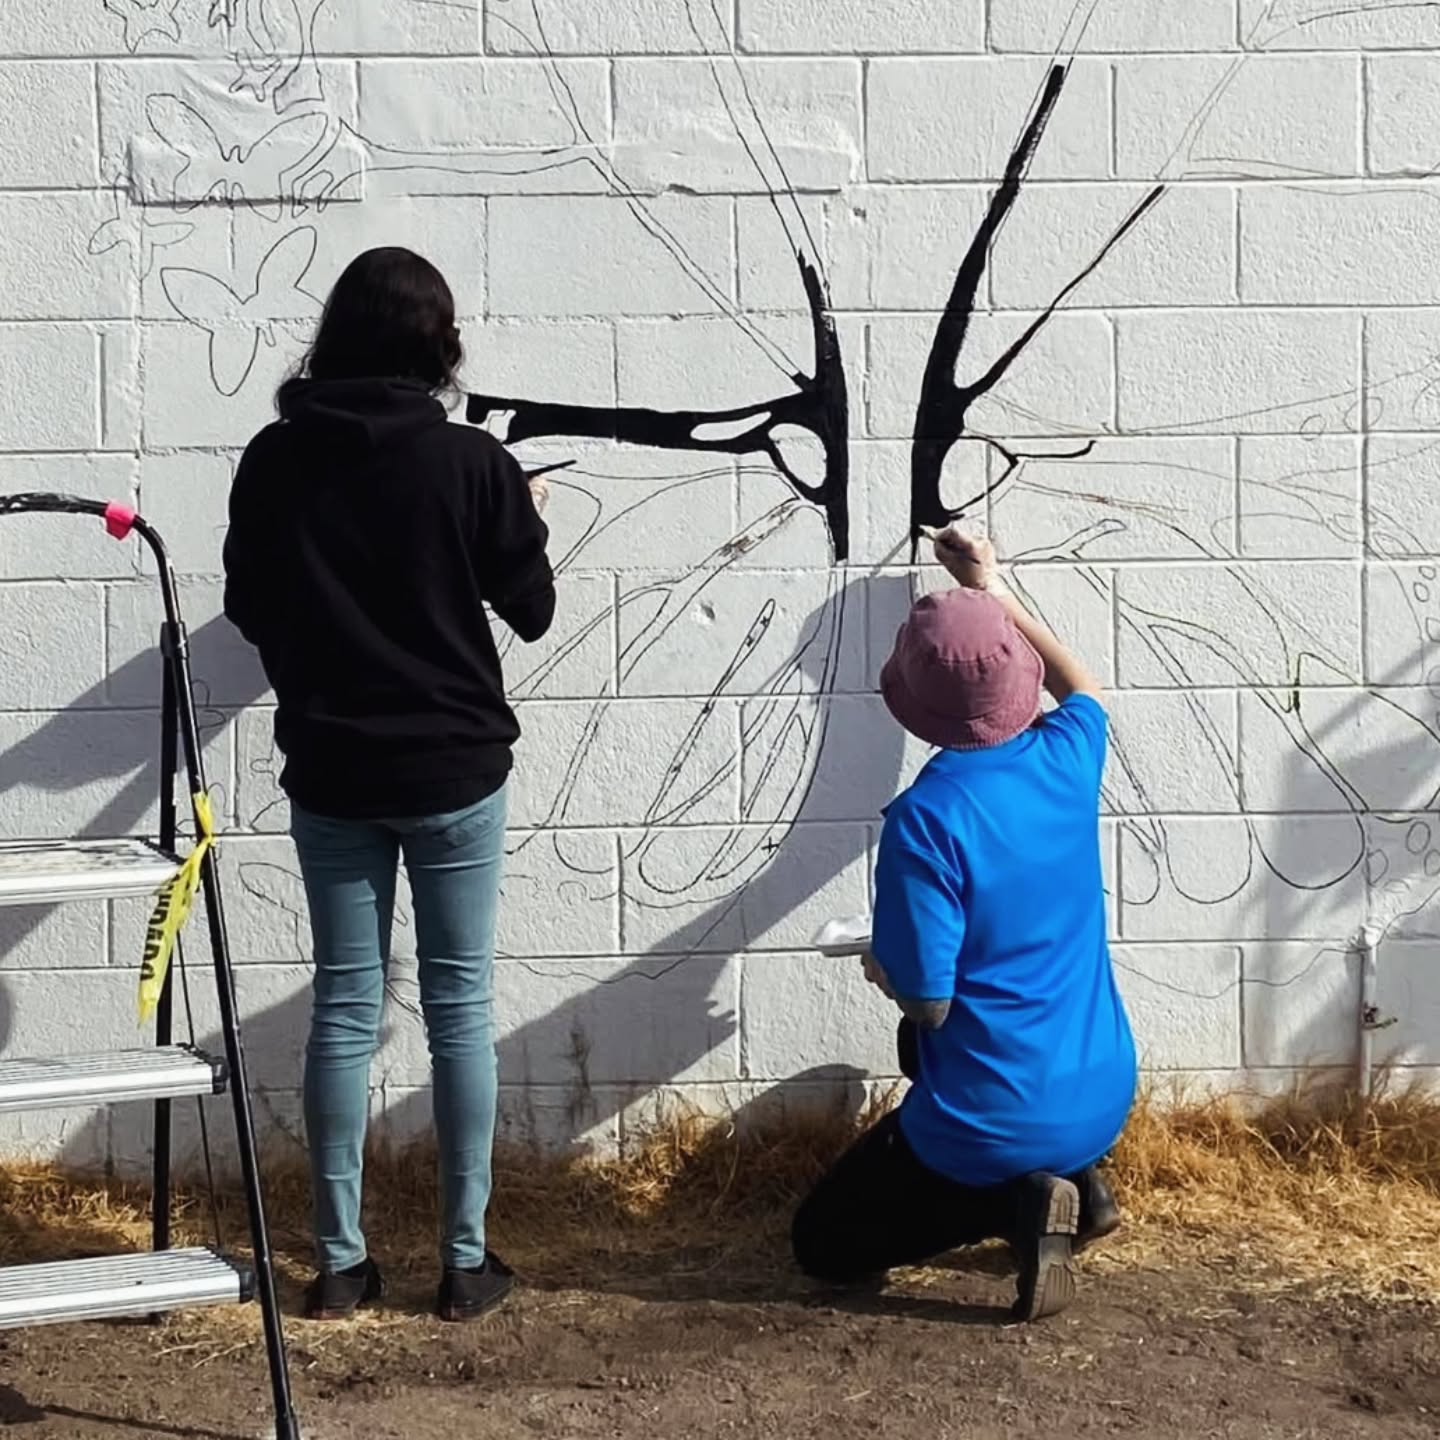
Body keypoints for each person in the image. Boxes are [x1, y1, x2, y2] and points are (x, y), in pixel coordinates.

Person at [222, 247, 555, 1322]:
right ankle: (464, 1263)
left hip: (331, 765)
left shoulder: (276, 458)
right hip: (456, 763)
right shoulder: (470, 463)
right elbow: (533, 607)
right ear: (438, 345)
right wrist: (518, 510)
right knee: (460, 1008)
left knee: (344, 1008)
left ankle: (341, 1265)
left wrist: (318, 667)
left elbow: (249, 603)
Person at [791, 529, 1135, 1322]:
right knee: (928, 1056)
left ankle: (1022, 1202)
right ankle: (1078, 1177)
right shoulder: (1069, 757)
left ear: (909, 702)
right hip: (1101, 1086)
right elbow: (1082, 686)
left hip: (994, 1118)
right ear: (1019, 676)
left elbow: (930, 1004)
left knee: (822, 1245)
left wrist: (881, 962)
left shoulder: (925, 820)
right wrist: (992, 590)